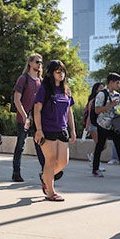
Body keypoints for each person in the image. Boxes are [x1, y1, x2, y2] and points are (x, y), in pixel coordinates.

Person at [34, 60, 76, 201]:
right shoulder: (44, 89)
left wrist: (73, 130)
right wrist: (39, 130)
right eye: (58, 71)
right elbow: (37, 110)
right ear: (51, 73)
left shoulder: (66, 90)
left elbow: (69, 112)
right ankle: (50, 192)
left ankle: (45, 177)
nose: (61, 74)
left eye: (63, 71)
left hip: (62, 129)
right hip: (47, 130)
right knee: (50, 160)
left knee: (63, 162)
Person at [11, 53, 46, 182]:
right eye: (37, 61)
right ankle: (16, 172)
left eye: (41, 62)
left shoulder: (40, 81)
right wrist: (25, 116)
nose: (39, 64)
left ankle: (46, 171)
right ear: (30, 63)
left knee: (40, 144)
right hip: (23, 118)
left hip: (36, 118)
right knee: (21, 145)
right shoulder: (23, 78)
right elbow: (16, 99)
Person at [83, 82, 106, 169]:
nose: (102, 90)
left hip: (102, 125)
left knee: (104, 146)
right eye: (100, 88)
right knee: (99, 145)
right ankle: (96, 164)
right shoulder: (92, 101)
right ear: (96, 90)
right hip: (93, 125)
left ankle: (92, 156)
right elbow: (89, 114)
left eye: (103, 88)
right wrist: (87, 127)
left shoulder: (104, 100)